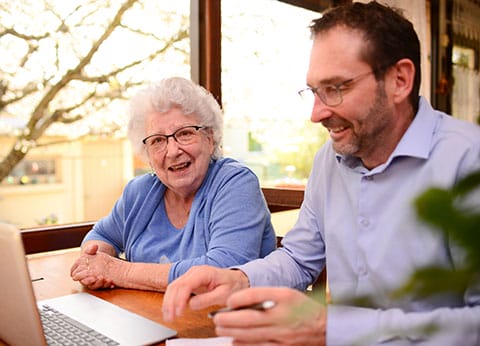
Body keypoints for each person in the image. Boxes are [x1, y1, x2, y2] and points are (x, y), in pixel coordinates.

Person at [161, 2, 480, 345]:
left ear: (399, 81)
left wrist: (330, 329)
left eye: (336, 89)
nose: (316, 113)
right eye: (314, 91)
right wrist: (238, 279)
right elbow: (299, 259)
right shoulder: (329, 159)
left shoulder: (468, 161)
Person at [70, 77, 276, 292]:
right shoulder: (139, 192)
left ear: (210, 138)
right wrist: (93, 264)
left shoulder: (235, 183)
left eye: (185, 133)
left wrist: (118, 271)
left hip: (225, 321)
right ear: (147, 153)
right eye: (157, 140)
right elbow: (102, 236)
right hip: (147, 318)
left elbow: (223, 269)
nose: (172, 151)